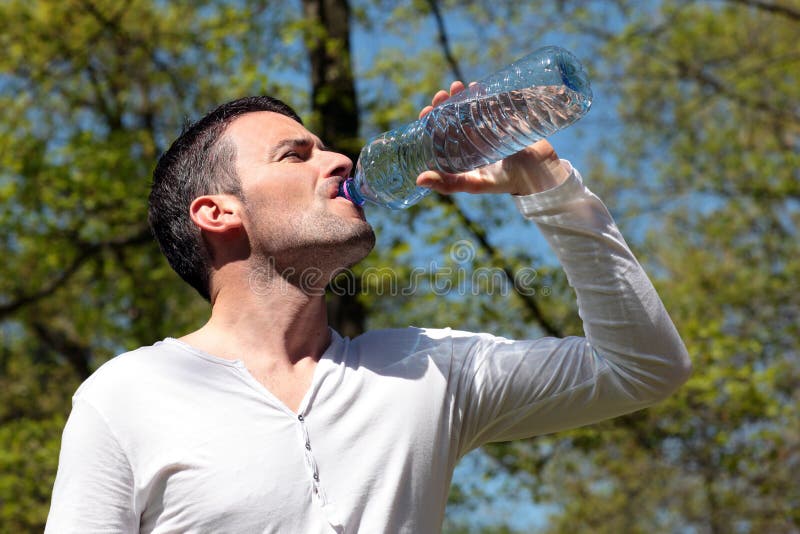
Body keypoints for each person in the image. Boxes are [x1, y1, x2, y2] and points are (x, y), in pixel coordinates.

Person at [46, 82, 691, 533]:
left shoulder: (426, 371)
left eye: (326, 147)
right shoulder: (130, 395)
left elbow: (642, 368)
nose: (339, 160)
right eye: (296, 155)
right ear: (218, 212)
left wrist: (551, 188)